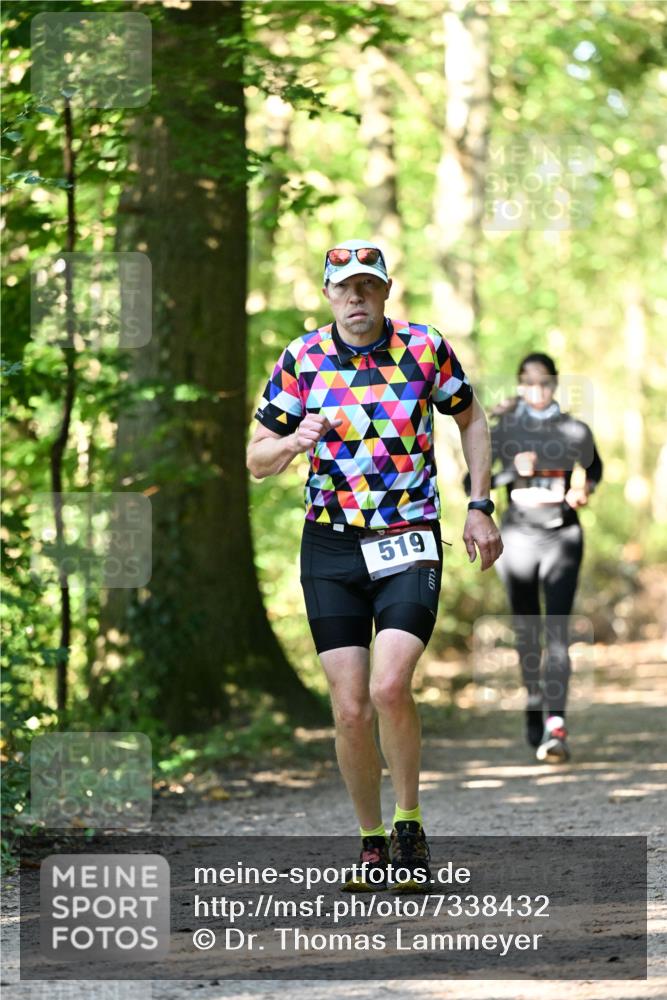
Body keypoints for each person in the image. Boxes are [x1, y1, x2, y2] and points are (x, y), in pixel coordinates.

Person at [247, 238, 502, 892]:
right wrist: (291, 442)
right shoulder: (301, 360)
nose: (355, 298)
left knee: (390, 686)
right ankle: (369, 839)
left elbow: (470, 421)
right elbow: (255, 458)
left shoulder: (423, 347)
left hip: (407, 536)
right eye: (343, 288)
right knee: (350, 706)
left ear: (386, 290)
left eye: (367, 286)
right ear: (327, 294)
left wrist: (478, 504)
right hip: (329, 546)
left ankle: (408, 823)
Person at [484, 352, 603, 763]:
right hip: (516, 539)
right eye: (529, 382)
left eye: (545, 382)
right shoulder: (504, 429)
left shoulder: (574, 428)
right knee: (526, 632)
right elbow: (473, 480)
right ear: (519, 385)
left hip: (562, 538)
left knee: (556, 632)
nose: (538, 390)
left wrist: (583, 489)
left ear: (555, 384)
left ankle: (556, 725)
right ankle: (534, 701)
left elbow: (594, 469)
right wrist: (510, 472)